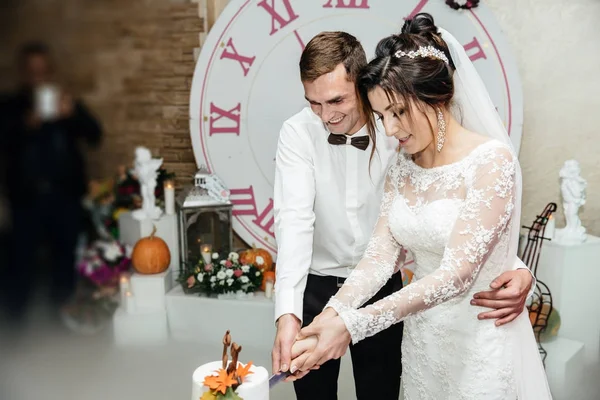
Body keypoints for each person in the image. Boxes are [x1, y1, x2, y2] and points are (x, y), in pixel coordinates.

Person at [288, 14, 552, 399]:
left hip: (478, 344)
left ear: (435, 96)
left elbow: (456, 275)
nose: (390, 130)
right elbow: (380, 256)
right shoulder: (403, 165)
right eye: (381, 116)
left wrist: (352, 326)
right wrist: (330, 317)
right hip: (423, 342)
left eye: (397, 112)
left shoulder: (491, 161)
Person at [0, 42, 102, 321]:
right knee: (20, 265)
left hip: (64, 198)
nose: (38, 76)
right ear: (23, 73)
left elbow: (95, 135)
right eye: (33, 71)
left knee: (64, 263)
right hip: (27, 200)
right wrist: (25, 125)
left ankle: (62, 323)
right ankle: (13, 327)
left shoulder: (64, 102)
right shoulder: (10, 106)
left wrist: (73, 116)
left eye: (43, 71)